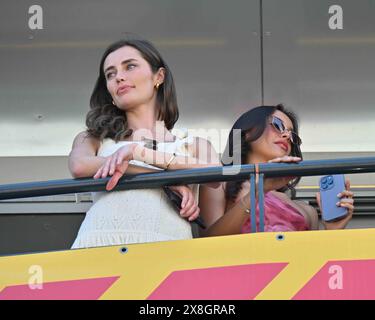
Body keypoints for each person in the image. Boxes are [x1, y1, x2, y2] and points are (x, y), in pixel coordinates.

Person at [68, 37, 219, 249]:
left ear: (159, 76)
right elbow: (79, 166)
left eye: (129, 66)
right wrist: (165, 181)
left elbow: (215, 174)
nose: (119, 77)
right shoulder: (94, 138)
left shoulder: (195, 143)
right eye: (110, 74)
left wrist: (138, 152)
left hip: (168, 253)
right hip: (98, 246)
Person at [199, 104, 355, 236]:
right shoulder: (218, 182)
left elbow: (313, 263)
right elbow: (208, 241)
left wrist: (333, 231)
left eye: (292, 135)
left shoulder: (307, 211)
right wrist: (259, 190)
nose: (287, 135)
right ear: (248, 132)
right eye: (278, 125)